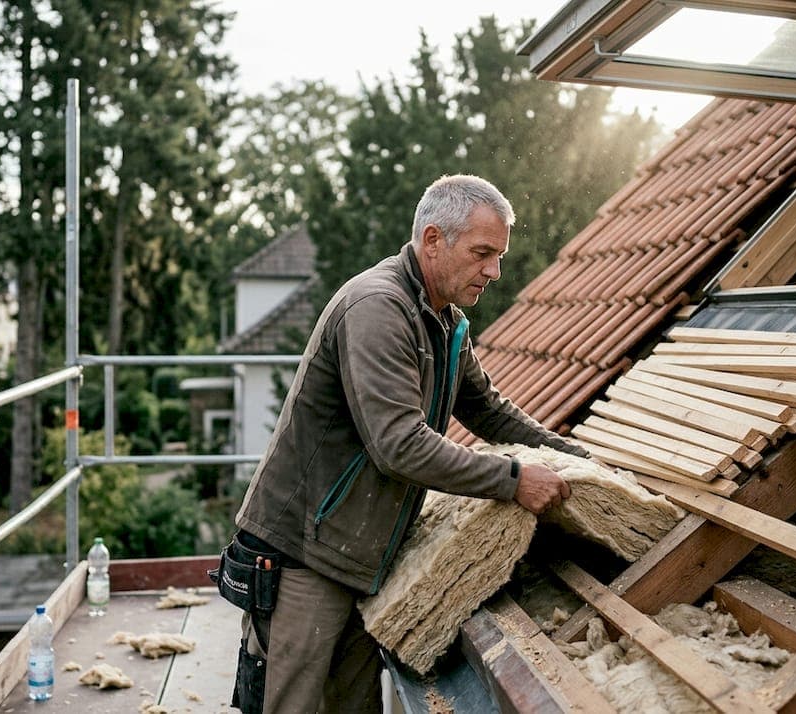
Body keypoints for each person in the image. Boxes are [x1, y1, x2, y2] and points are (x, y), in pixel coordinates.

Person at [227, 174, 589, 713]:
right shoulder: (376, 308)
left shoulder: (446, 321)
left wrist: (578, 459)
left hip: (357, 557)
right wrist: (515, 482)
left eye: (499, 256)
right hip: (303, 554)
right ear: (433, 240)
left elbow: (489, 411)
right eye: (483, 253)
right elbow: (399, 443)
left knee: (353, 706)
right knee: (293, 706)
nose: (494, 271)